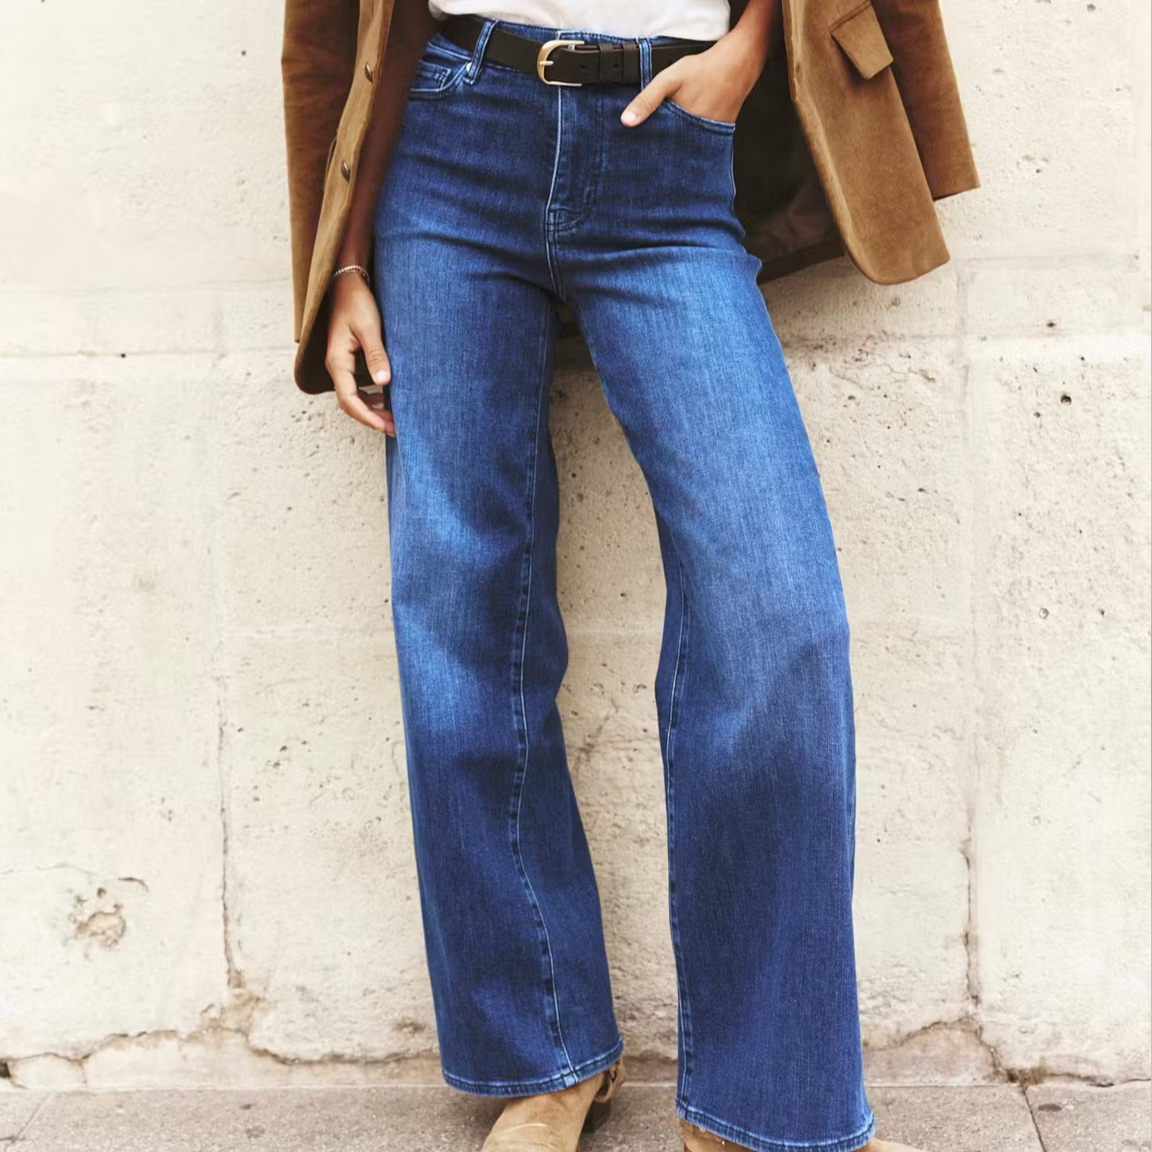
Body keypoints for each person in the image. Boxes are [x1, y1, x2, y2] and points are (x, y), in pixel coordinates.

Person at [280, 0, 979, 1148]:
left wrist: (748, 49)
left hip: (670, 149)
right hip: (450, 146)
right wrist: (342, 251)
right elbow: (325, 26)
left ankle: (759, 1105)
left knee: (779, 617)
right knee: (462, 610)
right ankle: (545, 1054)